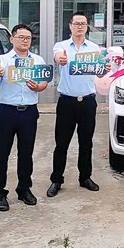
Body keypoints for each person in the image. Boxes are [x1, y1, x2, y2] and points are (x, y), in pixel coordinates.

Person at [47, 12, 108, 197]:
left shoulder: (95, 49)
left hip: (88, 102)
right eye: (77, 23)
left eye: (83, 24)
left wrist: (104, 69)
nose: (80, 27)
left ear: (87, 27)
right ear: (70, 26)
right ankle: (56, 179)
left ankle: (85, 177)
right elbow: (58, 57)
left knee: (86, 142)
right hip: (67, 102)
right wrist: (61, 59)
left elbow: (99, 73)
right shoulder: (61, 46)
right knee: (61, 143)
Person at [0, 24, 49, 211]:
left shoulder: (37, 60)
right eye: (21, 37)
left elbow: (44, 82)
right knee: (1, 154)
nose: (25, 41)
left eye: (28, 38)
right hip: (7, 111)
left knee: (26, 153)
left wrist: (38, 87)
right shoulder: (3, 60)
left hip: (29, 111)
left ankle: (24, 189)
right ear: (12, 39)